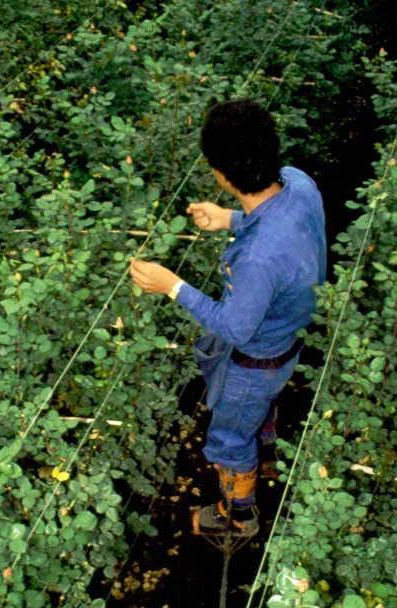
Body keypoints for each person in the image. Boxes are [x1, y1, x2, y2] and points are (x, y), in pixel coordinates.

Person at [130, 97, 326, 537]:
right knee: (260, 408)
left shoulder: (256, 261)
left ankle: (237, 515)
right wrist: (231, 218)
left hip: (256, 362)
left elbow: (235, 327)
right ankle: (267, 441)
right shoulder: (299, 183)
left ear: (220, 173)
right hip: (289, 337)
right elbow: (279, 229)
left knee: (229, 438)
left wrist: (172, 286)